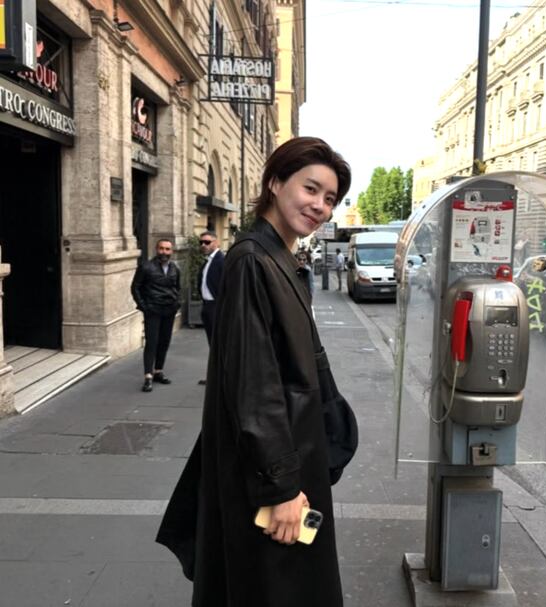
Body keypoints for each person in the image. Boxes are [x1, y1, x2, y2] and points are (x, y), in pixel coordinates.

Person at [156, 136, 352, 607]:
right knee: (272, 589)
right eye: (311, 189)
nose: (320, 206)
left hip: (290, 456)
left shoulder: (277, 257)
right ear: (275, 183)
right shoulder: (251, 261)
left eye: (330, 198)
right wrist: (281, 487)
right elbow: (254, 385)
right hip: (274, 472)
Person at [130, 239, 181, 392]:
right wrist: (144, 307)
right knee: (152, 343)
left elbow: (177, 287)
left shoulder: (175, 268)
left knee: (164, 342)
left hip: (169, 310)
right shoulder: (146, 267)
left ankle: (158, 371)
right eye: (161, 248)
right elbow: (135, 287)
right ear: (156, 249)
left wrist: (177, 303)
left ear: (171, 251)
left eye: (167, 249)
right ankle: (148, 376)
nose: (164, 252)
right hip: (153, 310)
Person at [196, 231, 225, 385]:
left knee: (218, 345)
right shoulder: (208, 261)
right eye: (201, 242)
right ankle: (215, 377)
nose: (203, 245)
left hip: (217, 308)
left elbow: (227, 287)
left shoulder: (221, 260)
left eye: (207, 242)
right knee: (213, 345)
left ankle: (220, 378)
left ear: (216, 243)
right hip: (207, 307)